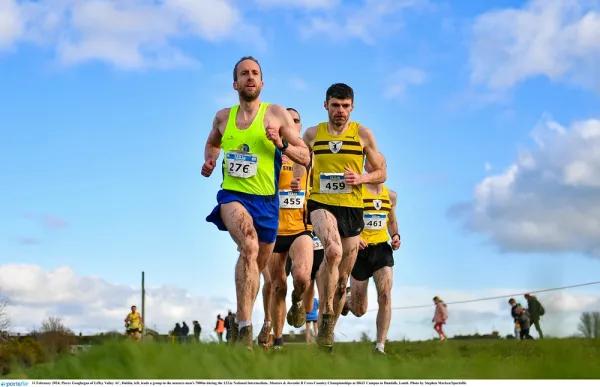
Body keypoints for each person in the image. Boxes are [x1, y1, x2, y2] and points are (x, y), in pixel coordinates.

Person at [202, 56, 311, 348]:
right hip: (233, 197)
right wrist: (210, 160)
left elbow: (305, 156)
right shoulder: (223, 117)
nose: (250, 77)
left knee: (256, 268)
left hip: (267, 203)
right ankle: (246, 332)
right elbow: (212, 142)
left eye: (255, 73)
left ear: (262, 82)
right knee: (248, 245)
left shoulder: (275, 115)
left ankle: (241, 321)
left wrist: (282, 144)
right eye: (243, 74)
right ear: (235, 83)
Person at [298, 83, 386, 350]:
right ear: (326, 105)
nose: (340, 111)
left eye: (345, 106)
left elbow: (381, 172)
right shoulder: (312, 133)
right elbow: (301, 160)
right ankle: (324, 312)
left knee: (342, 282)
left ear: (352, 107)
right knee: (333, 251)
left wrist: (362, 177)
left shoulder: (363, 134)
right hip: (321, 203)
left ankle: (328, 335)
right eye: (335, 105)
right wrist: (299, 184)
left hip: (352, 208)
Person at [266, 107, 323, 350]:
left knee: (301, 277)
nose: (291, 123)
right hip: (273, 228)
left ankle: (297, 300)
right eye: (287, 120)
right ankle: (277, 338)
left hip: (301, 228)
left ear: (298, 127)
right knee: (277, 284)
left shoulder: (311, 159)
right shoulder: (269, 154)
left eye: (296, 120)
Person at [341, 160, 400, 354]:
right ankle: (348, 300)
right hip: (358, 252)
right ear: (366, 168)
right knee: (359, 310)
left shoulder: (391, 196)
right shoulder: (356, 190)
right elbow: (346, 217)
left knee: (385, 295)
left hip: (381, 249)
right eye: (374, 164)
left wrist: (396, 236)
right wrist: (355, 236)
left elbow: (391, 220)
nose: (378, 167)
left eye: (382, 165)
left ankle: (380, 347)